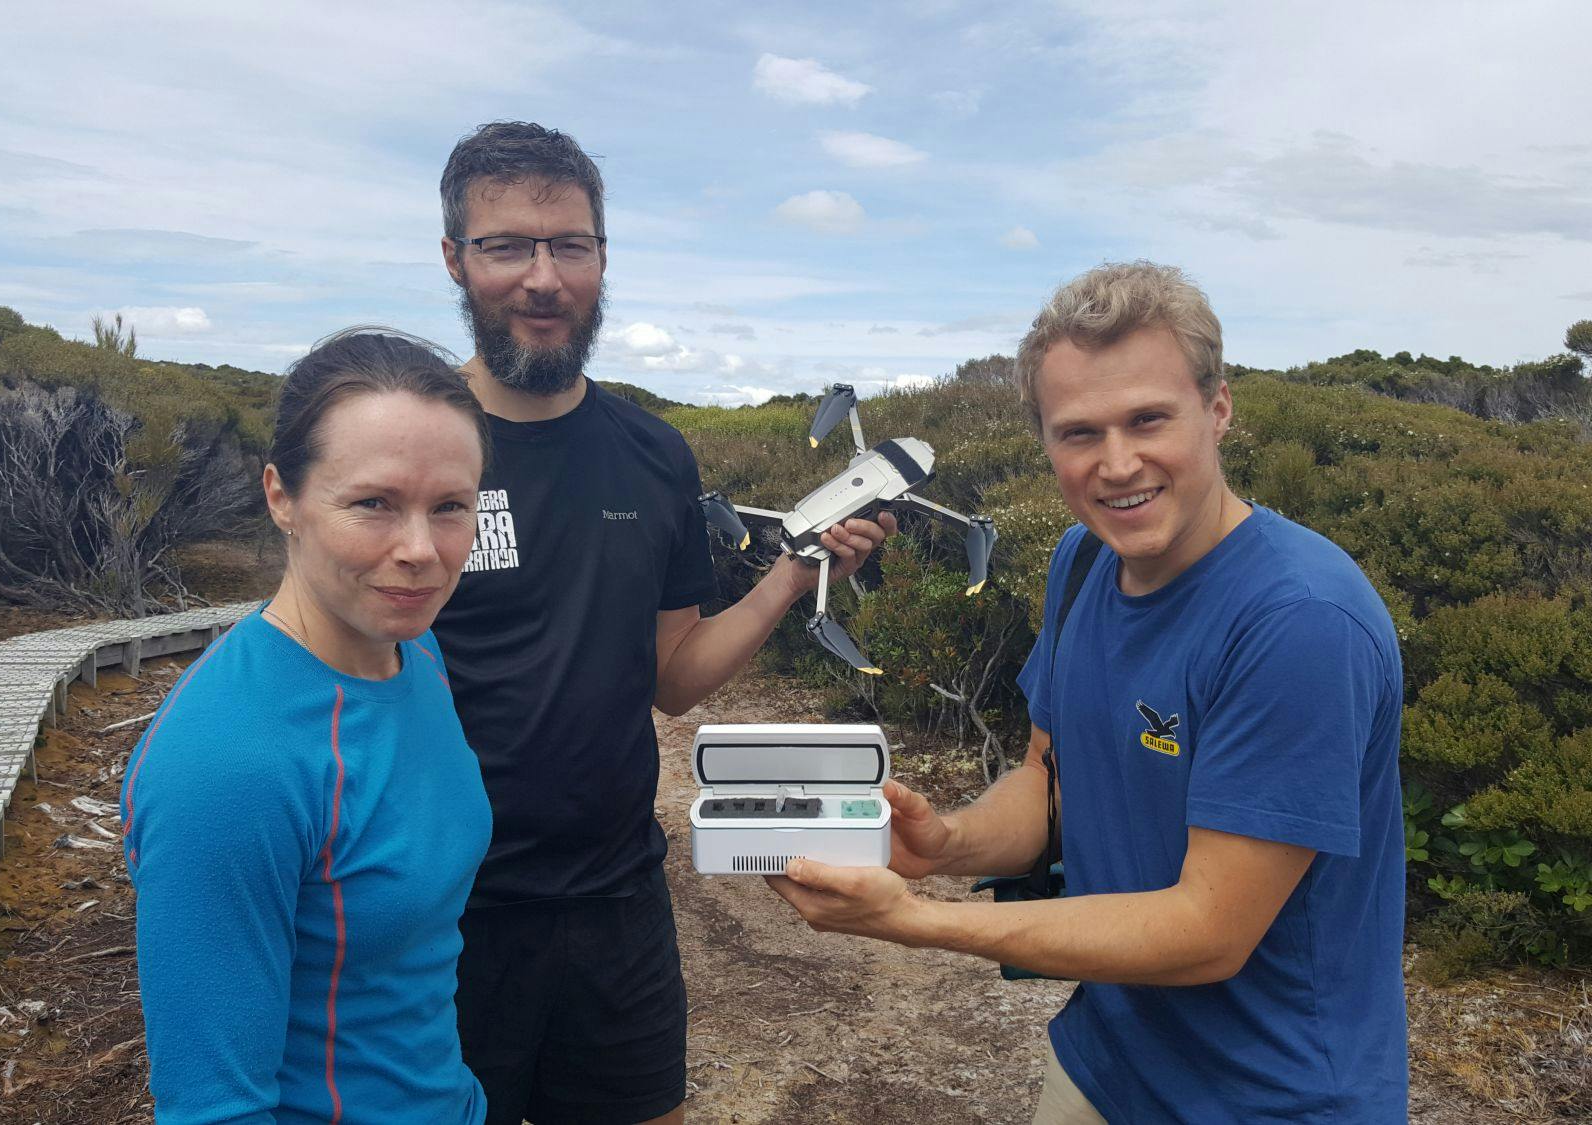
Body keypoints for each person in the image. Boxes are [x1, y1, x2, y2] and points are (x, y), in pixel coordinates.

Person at [766, 262, 1409, 1123]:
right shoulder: (1082, 563)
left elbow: (1207, 930)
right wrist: (945, 843)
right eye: (1079, 432)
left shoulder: (1300, 622)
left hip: (1272, 1097)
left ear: (1219, 409)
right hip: (1105, 1064)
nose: (1117, 464)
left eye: (1149, 419)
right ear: (1045, 439)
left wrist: (915, 919)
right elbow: (1048, 778)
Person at [431, 120, 894, 1125]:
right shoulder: (412, 444)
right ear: (455, 261)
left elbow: (673, 678)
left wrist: (785, 577)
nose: (542, 278)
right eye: (506, 245)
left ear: (601, 257)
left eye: (570, 245)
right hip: (434, 916)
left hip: (615, 906)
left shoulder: (651, 454)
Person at [122, 329, 494, 1124]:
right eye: (373, 503)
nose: (422, 551)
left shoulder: (414, 651)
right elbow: (214, 1107)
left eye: (451, 507)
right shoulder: (225, 763)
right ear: (281, 496)